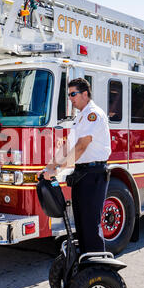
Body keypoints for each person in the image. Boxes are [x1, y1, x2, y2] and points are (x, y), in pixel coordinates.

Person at [43, 78, 111, 254]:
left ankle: (97, 266)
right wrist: (48, 167)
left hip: (94, 173)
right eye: (69, 95)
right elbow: (68, 146)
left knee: (90, 222)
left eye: (73, 94)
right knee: (80, 222)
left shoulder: (92, 114)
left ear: (85, 94)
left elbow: (81, 146)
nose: (70, 98)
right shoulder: (80, 117)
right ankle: (85, 264)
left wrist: (58, 170)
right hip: (82, 173)